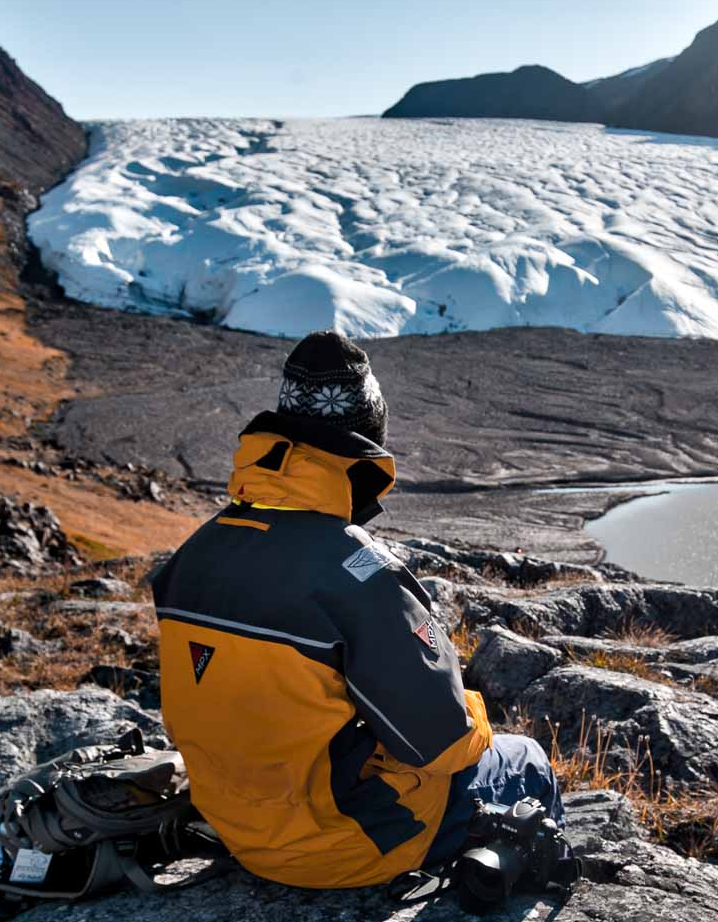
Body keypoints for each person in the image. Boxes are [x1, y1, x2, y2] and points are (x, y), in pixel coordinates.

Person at [150, 331, 563, 889]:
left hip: (237, 830)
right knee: (527, 760)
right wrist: (473, 710)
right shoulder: (358, 574)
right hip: (344, 846)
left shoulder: (195, 553)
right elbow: (443, 744)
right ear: (367, 441)